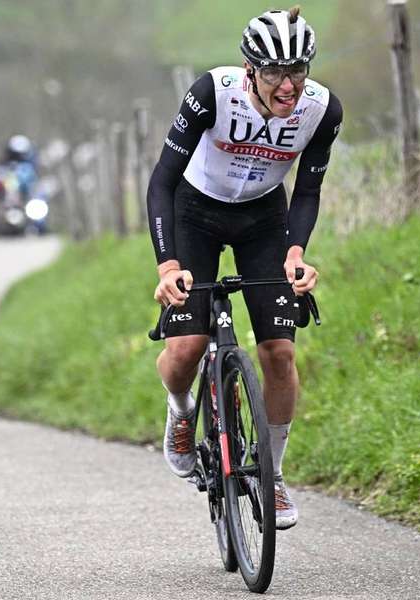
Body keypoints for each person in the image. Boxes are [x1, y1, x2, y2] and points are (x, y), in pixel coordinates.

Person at [146, 7, 342, 531]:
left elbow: (307, 188)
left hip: (262, 217)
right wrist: (167, 266)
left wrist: (296, 253)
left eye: (298, 69)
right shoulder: (212, 92)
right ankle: (181, 409)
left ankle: (272, 476)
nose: (288, 85)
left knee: (279, 352)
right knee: (186, 348)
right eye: (275, 71)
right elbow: (162, 181)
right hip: (194, 212)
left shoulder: (322, 110)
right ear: (250, 68)